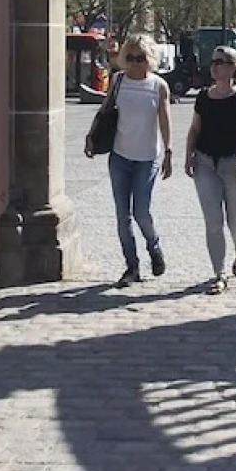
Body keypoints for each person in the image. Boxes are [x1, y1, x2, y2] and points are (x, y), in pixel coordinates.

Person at [85, 33, 173, 286]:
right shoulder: (118, 80)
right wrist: (91, 135)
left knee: (141, 211)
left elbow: (165, 121)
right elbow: (105, 110)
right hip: (120, 156)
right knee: (122, 215)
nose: (136, 63)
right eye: (131, 57)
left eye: (141, 58)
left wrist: (169, 151)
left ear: (150, 59)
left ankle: (154, 248)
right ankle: (131, 267)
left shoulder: (158, 86)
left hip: (147, 158)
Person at [184, 45, 236, 294]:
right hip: (206, 163)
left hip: (234, 165)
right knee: (213, 222)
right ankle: (219, 273)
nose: (214, 66)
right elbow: (195, 129)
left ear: (233, 67)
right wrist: (188, 155)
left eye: (220, 62)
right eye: (213, 61)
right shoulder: (204, 97)